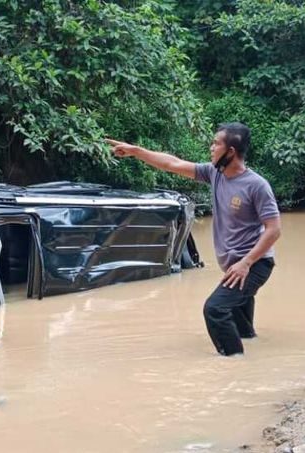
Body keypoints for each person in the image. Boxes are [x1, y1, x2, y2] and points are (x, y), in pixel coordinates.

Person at [106, 122, 281, 356]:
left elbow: (274, 230)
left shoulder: (256, 185)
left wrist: (246, 264)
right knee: (242, 330)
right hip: (234, 266)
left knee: (215, 310)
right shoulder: (214, 173)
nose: (211, 147)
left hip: (253, 265)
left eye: (216, 143)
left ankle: (236, 365)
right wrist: (136, 151)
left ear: (230, 151)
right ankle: (256, 360)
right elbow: (172, 163)